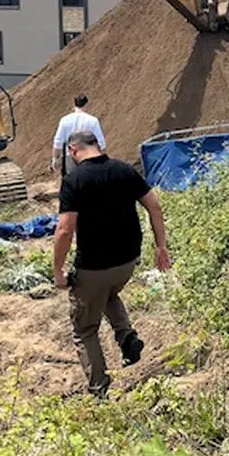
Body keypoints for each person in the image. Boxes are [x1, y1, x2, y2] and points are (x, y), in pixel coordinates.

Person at [52, 131, 172, 398]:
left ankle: (99, 391)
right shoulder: (125, 170)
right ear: (98, 145)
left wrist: (58, 270)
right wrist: (161, 247)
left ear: (73, 151)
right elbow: (154, 206)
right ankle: (127, 337)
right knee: (107, 292)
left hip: (93, 266)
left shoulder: (73, 180)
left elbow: (65, 230)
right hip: (128, 261)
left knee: (85, 329)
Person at [52, 95, 107, 175]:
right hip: (89, 156)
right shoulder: (92, 120)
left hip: (71, 155)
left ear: (74, 105)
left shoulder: (64, 120)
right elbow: (101, 143)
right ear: (86, 105)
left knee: (72, 181)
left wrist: (55, 158)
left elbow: (58, 142)